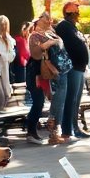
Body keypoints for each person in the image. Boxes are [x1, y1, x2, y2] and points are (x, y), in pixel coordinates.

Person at [54, 2, 90, 140]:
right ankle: (68, 129)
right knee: (72, 99)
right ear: (68, 12)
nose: (78, 13)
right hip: (73, 68)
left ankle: (74, 128)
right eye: (76, 11)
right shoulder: (64, 26)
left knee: (76, 100)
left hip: (80, 68)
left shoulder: (74, 28)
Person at [24, 12, 61, 141]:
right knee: (38, 102)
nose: (49, 21)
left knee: (41, 102)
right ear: (39, 20)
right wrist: (50, 43)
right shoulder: (34, 36)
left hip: (43, 73)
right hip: (35, 73)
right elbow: (36, 53)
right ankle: (31, 132)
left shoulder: (48, 34)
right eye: (46, 18)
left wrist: (52, 36)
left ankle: (33, 130)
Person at [11, 21, 29, 87]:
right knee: (21, 85)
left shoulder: (20, 39)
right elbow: (26, 53)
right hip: (21, 65)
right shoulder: (20, 40)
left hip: (19, 64)